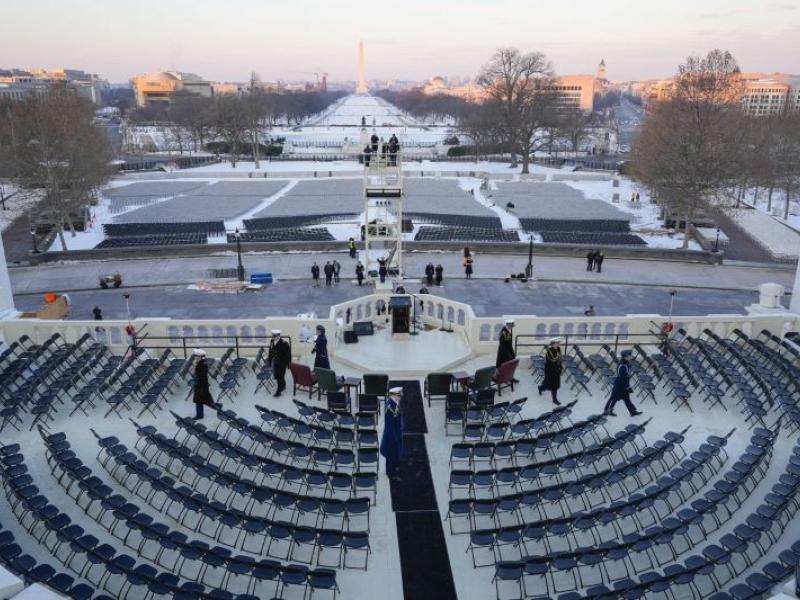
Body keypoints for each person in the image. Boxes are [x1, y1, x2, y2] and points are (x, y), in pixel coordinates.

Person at [604, 349, 643, 417]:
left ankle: (632, 412)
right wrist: (628, 387)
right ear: (626, 356)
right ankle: (607, 410)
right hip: (619, 385)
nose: (631, 356)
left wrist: (627, 386)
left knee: (626, 399)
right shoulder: (623, 366)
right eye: (630, 355)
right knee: (614, 398)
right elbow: (623, 378)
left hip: (624, 384)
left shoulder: (626, 363)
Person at [380, 387, 404, 480]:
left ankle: (394, 467)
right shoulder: (390, 406)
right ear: (393, 395)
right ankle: (391, 473)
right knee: (391, 454)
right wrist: (394, 438)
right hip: (392, 435)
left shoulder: (395, 403)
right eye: (399, 395)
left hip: (396, 432)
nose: (400, 397)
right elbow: (390, 424)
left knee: (395, 453)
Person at [192, 349, 216, 420]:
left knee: (204, 401)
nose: (195, 357)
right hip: (200, 385)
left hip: (201, 386)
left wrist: (201, 388)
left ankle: (218, 408)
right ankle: (199, 415)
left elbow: (201, 377)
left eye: (196, 356)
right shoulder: (200, 363)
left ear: (200, 357)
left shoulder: (201, 365)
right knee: (201, 401)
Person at [538, 338, 563, 405]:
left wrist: (560, 367)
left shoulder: (558, 349)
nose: (559, 344)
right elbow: (551, 363)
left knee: (552, 384)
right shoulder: (549, 352)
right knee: (552, 385)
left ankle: (541, 388)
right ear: (553, 343)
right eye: (557, 343)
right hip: (550, 371)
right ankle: (554, 399)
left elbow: (559, 359)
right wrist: (556, 369)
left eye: (558, 342)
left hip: (557, 370)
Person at [267, 330, 291, 397]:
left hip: (282, 363)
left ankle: (279, 391)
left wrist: (288, 364)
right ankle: (283, 386)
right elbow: (270, 352)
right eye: (273, 336)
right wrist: (269, 361)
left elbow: (288, 354)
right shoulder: (272, 342)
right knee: (279, 376)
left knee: (279, 376)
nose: (273, 337)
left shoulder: (284, 343)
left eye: (275, 336)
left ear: (278, 335)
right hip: (275, 362)